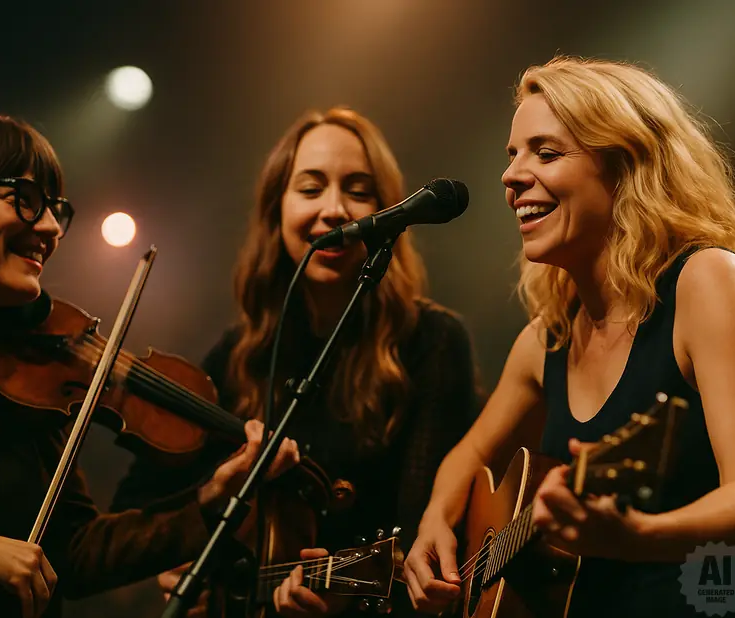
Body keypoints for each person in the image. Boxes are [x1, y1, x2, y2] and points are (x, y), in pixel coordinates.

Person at [0, 113, 300, 618]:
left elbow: (74, 553)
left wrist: (209, 503)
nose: (50, 227)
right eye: (25, 199)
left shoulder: (19, 362)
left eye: (54, 208)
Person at [403, 55, 735, 617]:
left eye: (546, 153)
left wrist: (636, 537)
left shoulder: (708, 283)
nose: (510, 175)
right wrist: (435, 525)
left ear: (626, 167)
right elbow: (467, 456)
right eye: (512, 155)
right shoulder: (546, 338)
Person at [111, 106, 484, 617]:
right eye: (310, 189)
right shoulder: (239, 353)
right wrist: (183, 561)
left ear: (389, 214)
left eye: (358, 190)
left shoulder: (435, 341)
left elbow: (423, 540)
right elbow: (135, 504)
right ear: (275, 210)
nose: (334, 210)